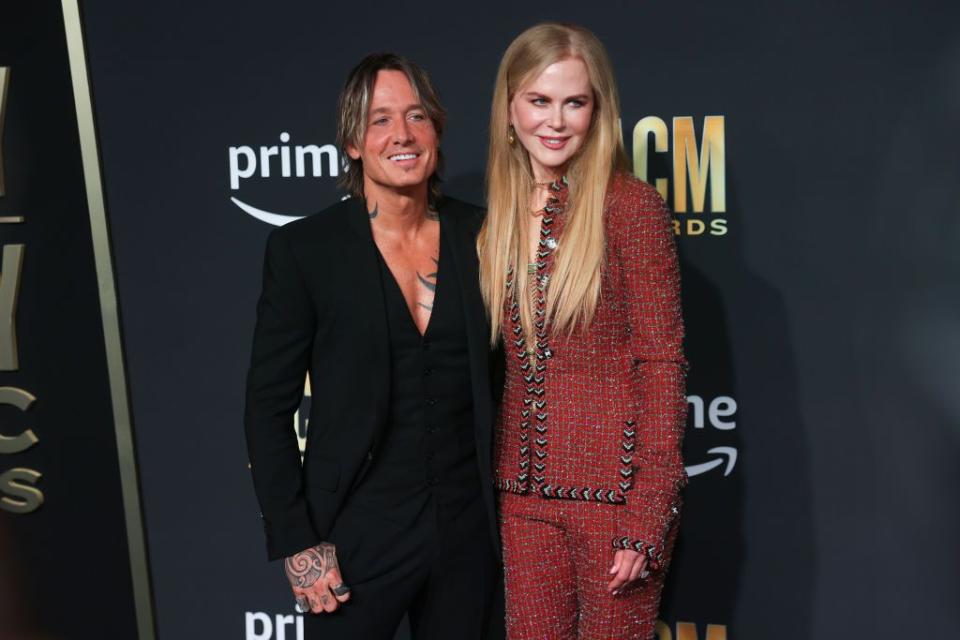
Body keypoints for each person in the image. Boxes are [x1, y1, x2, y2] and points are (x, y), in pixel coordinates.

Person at [244, 52, 501, 640]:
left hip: (470, 528)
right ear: (353, 142)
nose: (402, 135)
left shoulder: (484, 233)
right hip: (355, 534)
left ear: (436, 130)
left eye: (416, 116)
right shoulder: (305, 251)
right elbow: (266, 407)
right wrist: (299, 542)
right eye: (380, 119)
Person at [477, 23, 687, 640]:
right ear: (510, 107)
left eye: (576, 101)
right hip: (522, 499)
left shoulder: (630, 207)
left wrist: (650, 512)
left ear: (599, 110)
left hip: (616, 498)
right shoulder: (498, 217)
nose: (556, 121)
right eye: (539, 101)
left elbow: (663, 364)